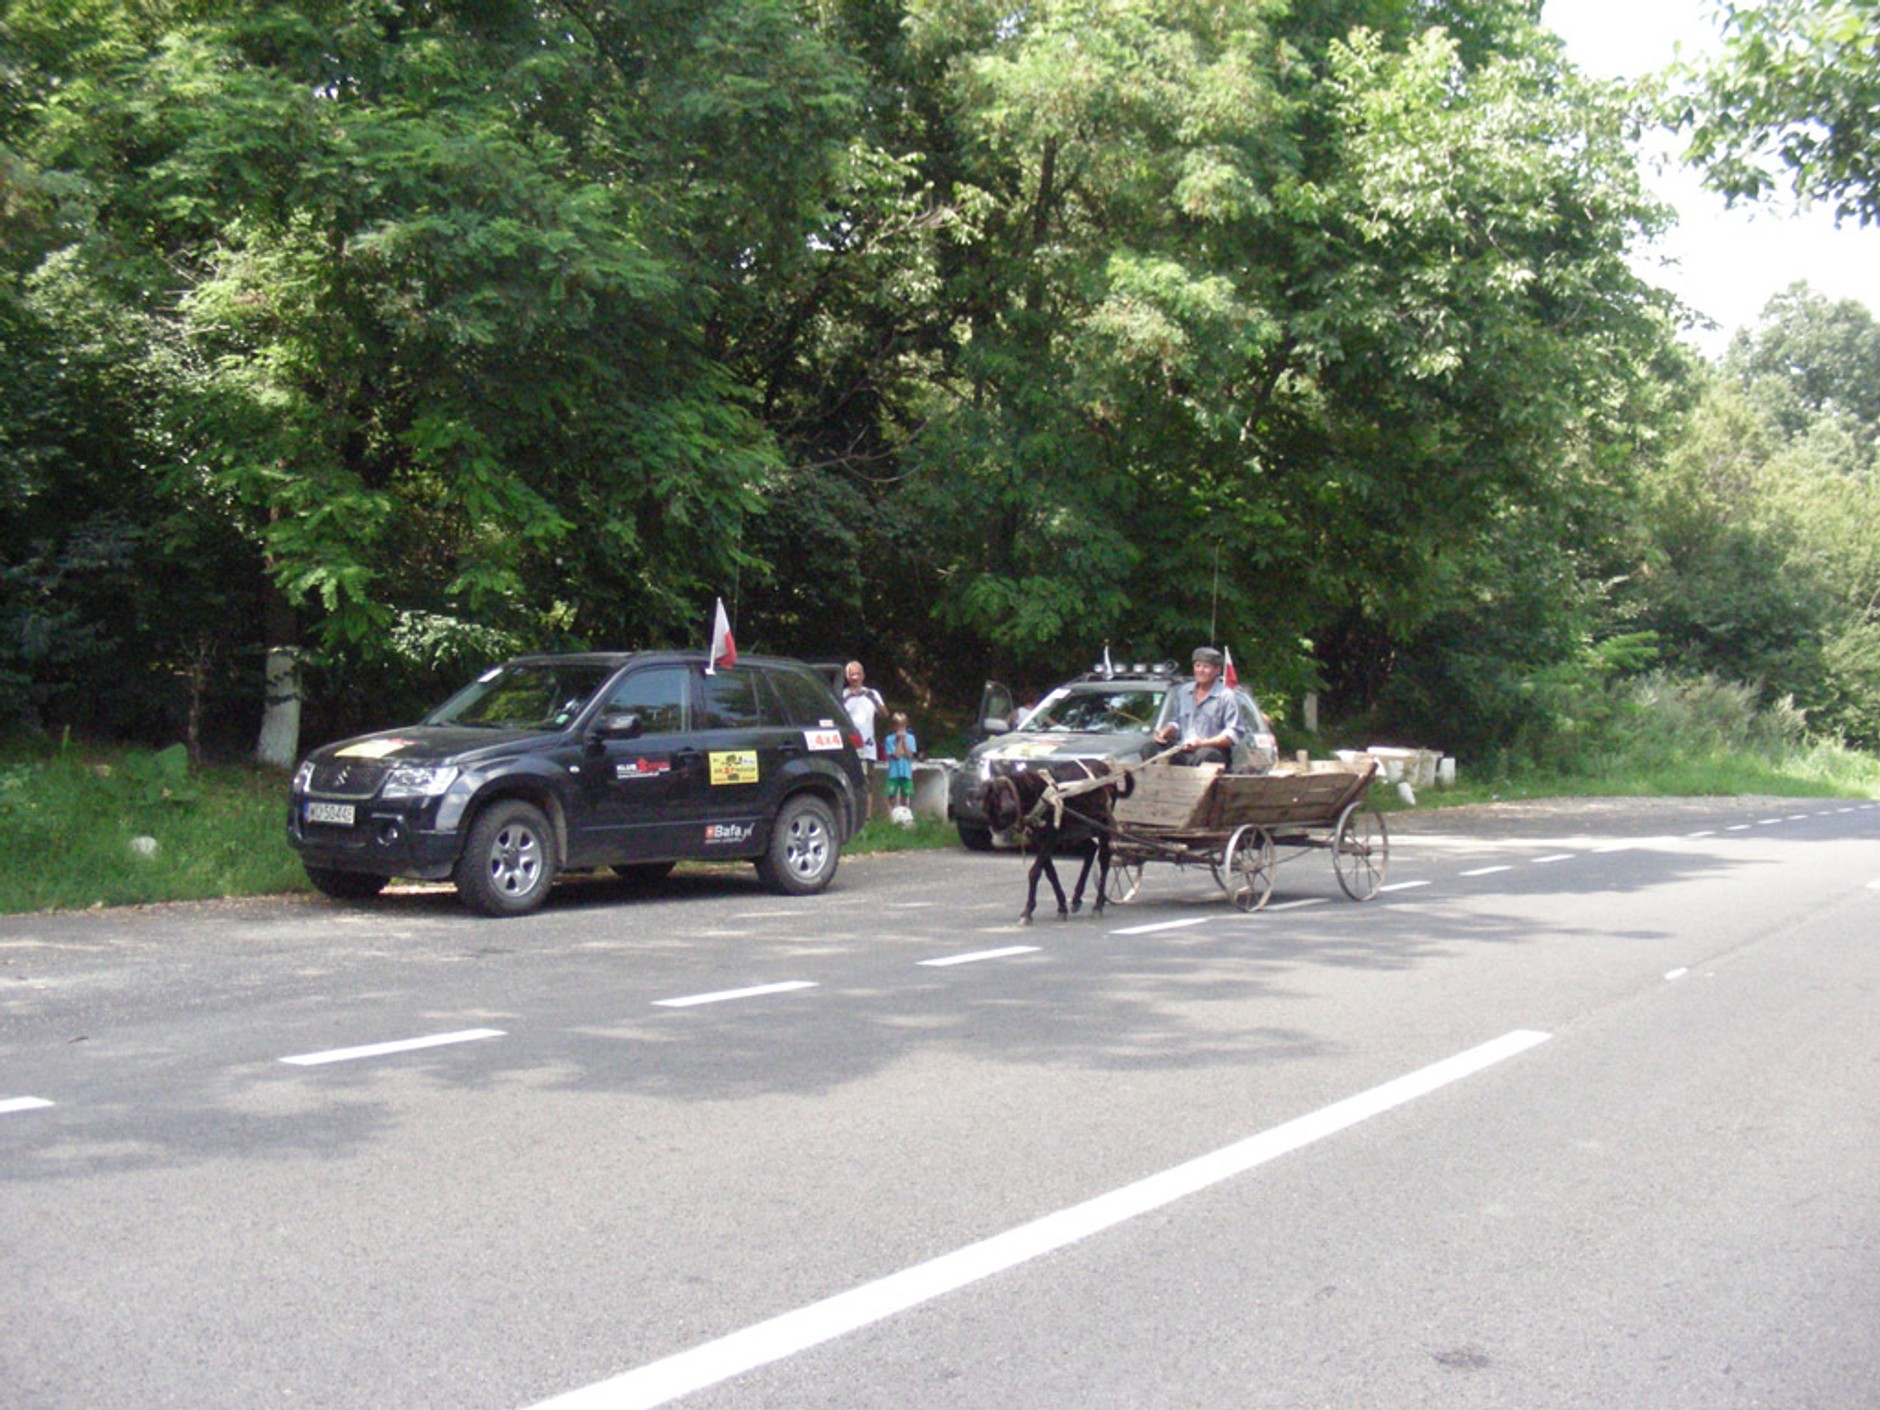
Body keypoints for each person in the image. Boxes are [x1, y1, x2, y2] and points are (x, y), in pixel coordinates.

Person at [1154, 646, 1243, 766]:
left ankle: (1193, 782)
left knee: (1204, 754)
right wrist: (1167, 731)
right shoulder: (1183, 692)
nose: (1201, 670)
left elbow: (1233, 734)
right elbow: (1177, 723)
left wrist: (1202, 743)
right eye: (1198, 666)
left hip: (1213, 752)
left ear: (1217, 670)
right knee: (1151, 748)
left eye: (1206, 667)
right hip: (1183, 750)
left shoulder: (1226, 696)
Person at [882, 711, 918, 816]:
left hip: (906, 771)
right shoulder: (889, 739)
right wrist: (899, 741)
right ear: (894, 726)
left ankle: (904, 815)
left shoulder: (911, 738)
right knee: (891, 795)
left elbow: (909, 754)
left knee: (905, 795)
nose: (900, 728)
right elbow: (896, 755)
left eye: (903, 725)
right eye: (898, 725)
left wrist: (904, 742)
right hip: (894, 772)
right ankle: (890, 817)